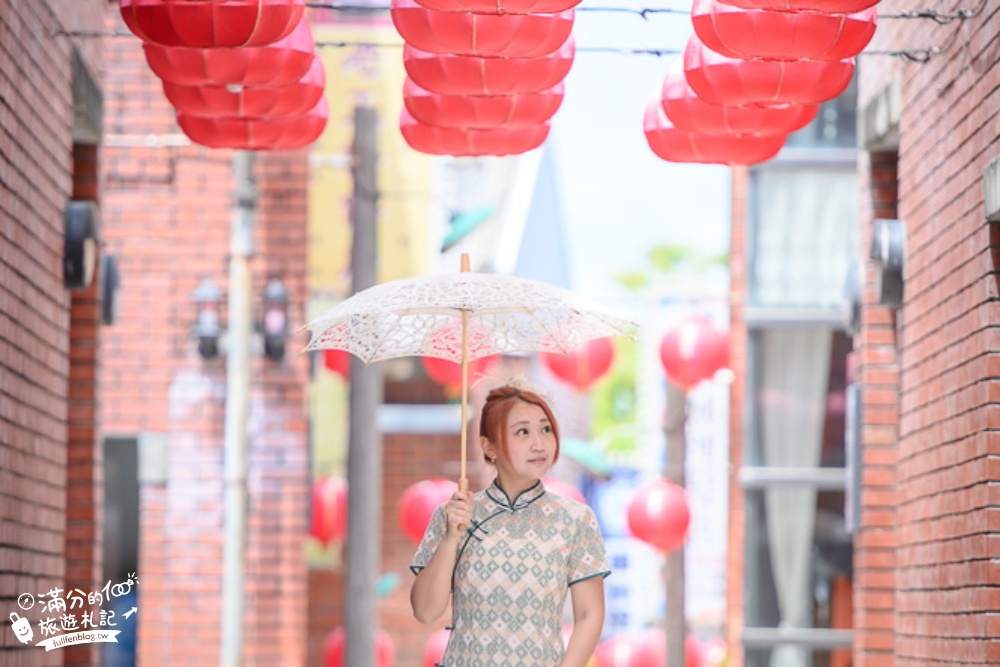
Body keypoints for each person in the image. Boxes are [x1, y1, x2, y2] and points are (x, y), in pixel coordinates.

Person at [410, 382, 610, 667]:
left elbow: (590, 615)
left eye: (546, 429)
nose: (539, 444)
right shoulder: (454, 515)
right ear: (488, 446)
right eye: (522, 432)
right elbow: (425, 611)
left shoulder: (575, 520)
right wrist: (451, 539)